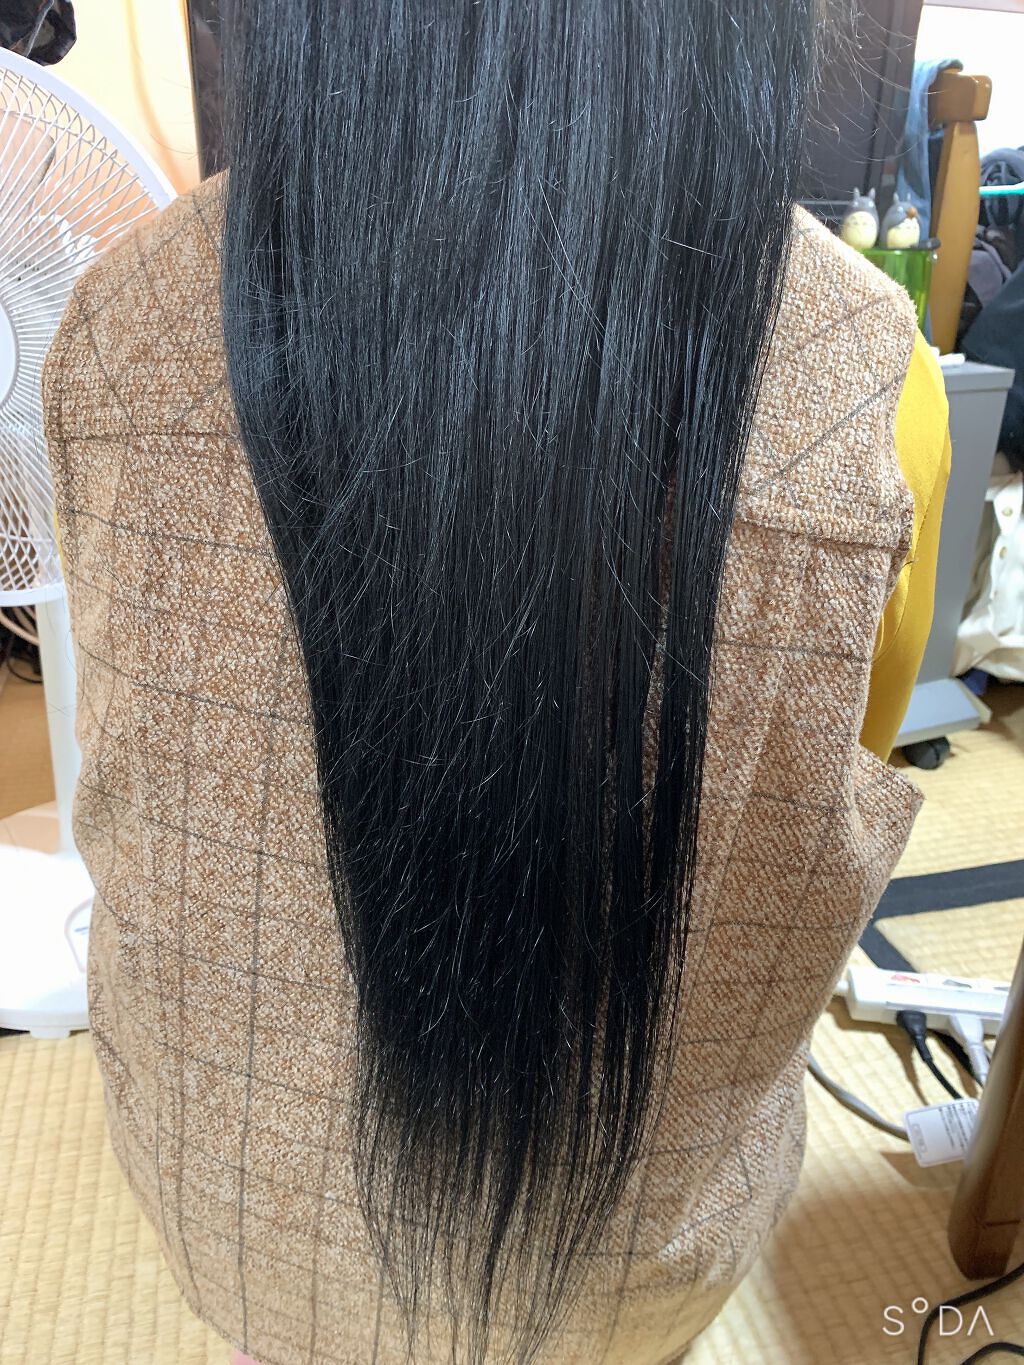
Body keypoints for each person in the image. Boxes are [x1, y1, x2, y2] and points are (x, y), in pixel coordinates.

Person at [41, 2, 950, 1362]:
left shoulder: (121, 324)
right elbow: (825, 807)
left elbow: (125, 755)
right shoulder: (870, 380)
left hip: (229, 1223)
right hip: (640, 1272)